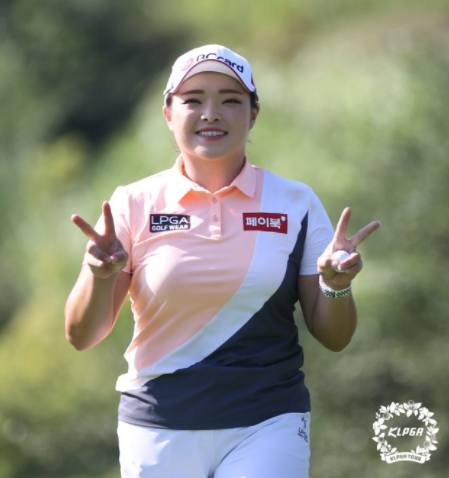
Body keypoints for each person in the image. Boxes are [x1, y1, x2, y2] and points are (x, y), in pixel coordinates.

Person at [65, 44, 380, 478]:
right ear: (168, 114)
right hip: (158, 424)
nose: (211, 114)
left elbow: (335, 337)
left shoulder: (296, 203)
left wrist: (336, 286)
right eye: (193, 100)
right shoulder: (132, 203)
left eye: (230, 100)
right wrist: (100, 277)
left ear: (253, 115)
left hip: (268, 422)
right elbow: (82, 336)